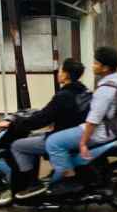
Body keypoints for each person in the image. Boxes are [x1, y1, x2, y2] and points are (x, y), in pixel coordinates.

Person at [43, 46, 117, 190]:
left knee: (53, 142)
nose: (92, 65)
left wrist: (83, 143)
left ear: (105, 68)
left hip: (101, 132)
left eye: (96, 63)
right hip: (115, 127)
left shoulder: (105, 89)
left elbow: (93, 120)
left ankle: (66, 180)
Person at [9, 58, 90, 199]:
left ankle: (33, 184)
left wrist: (16, 122)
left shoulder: (63, 96)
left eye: (60, 70)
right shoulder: (84, 91)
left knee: (17, 146)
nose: (58, 73)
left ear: (66, 75)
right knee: (32, 139)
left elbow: (42, 118)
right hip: (77, 133)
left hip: (62, 136)